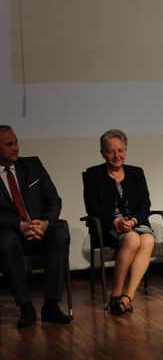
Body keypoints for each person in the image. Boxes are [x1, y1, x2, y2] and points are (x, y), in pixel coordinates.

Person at [0, 125, 72, 327]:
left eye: (16, 142)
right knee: (5, 241)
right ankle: (26, 307)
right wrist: (19, 225)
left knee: (61, 229)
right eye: (9, 144)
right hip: (13, 232)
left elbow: (54, 201)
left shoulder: (32, 165)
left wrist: (45, 223)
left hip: (41, 229)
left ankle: (51, 305)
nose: (16, 148)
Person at [83, 129, 155, 315]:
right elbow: (93, 206)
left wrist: (134, 220)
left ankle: (127, 296)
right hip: (108, 225)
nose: (117, 156)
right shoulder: (93, 174)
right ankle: (116, 294)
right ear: (102, 153)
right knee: (132, 239)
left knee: (148, 240)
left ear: (126, 150)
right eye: (111, 152)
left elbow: (145, 205)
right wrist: (115, 221)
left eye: (120, 150)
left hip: (134, 222)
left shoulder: (136, 173)